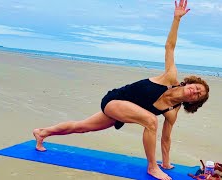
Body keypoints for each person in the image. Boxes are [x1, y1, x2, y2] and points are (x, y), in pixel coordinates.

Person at [33, 0, 209, 179]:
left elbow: (166, 139)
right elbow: (170, 47)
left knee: (82, 127)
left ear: (193, 102)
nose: (195, 91)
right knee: (150, 121)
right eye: (196, 87)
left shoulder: (172, 111)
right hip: (114, 100)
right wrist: (177, 19)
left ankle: (42, 133)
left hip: (125, 111)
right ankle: (152, 167)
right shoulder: (170, 77)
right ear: (189, 83)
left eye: (198, 95)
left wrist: (167, 163)